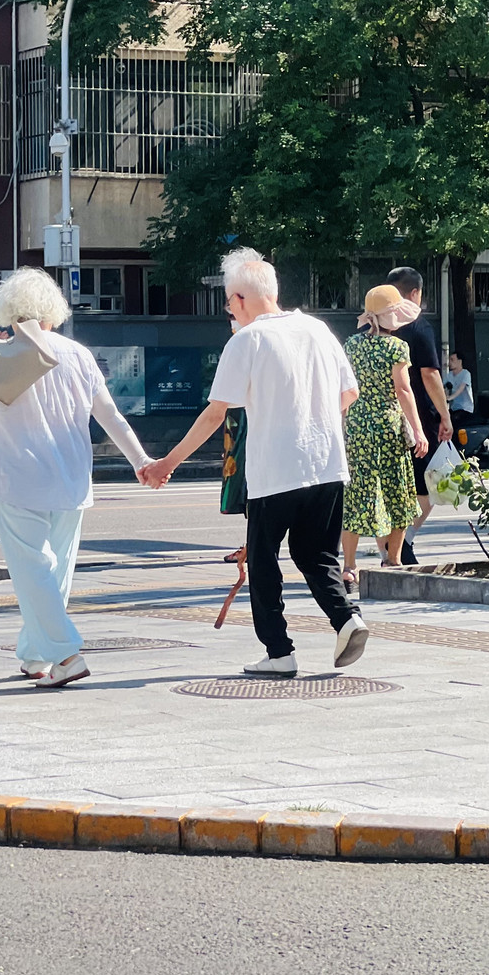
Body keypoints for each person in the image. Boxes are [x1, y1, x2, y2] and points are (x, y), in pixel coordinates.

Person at [142, 247, 368, 678]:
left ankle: (279, 652)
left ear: (242, 298)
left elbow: (215, 413)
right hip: (327, 465)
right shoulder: (318, 330)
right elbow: (349, 393)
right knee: (317, 553)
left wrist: (166, 462)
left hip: (274, 470)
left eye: (228, 302)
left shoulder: (247, 340)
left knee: (264, 559)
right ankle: (347, 619)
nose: (229, 311)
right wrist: (315, 421)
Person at [0, 267, 153, 689]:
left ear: (8, 312)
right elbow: (110, 416)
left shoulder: (1, 356)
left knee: (32, 572)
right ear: (53, 310)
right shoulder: (78, 354)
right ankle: (34, 654)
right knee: (54, 572)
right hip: (71, 479)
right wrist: (140, 461)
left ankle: (65, 653)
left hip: (20, 480)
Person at [340, 285, 429, 583]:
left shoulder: (351, 344)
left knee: (357, 493)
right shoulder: (397, 347)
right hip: (389, 425)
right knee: (398, 489)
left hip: (357, 425)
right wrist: (418, 430)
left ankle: (349, 567)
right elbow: (404, 391)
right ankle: (393, 560)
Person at [385, 266, 453, 565]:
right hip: (417, 418)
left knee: (386, 487)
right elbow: (430, 375)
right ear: (416, 293)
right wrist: (445, 415)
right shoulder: (418, 327)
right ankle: (403, 543)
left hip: (376, 418)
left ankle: (390, 550)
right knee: (427, 484)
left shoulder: (367, 330)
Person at [444, 351, 474, 416]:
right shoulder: (449, 375)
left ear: (460, 361)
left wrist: (449, 398)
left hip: (465, 409)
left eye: (452, 360)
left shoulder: (466, 374)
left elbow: (461, 389)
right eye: (449, 360)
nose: (450, 362)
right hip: (454, 408)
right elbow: (443, 387)